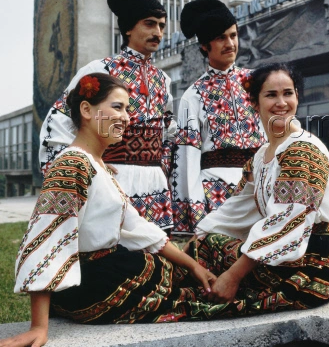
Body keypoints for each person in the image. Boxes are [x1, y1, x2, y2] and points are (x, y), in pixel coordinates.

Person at [0, 74, 217, 347]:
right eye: (117, 107)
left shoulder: (96, 165)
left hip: (104, 275)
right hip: (95, 285)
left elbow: (137, 227)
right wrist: (39, 327)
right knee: (204, 295)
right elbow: (46, 240)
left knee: (202, 261)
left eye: (128, 109)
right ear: (87, 110)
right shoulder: (72, 165)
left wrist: (193, 265)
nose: (126, 118)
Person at [189, 62, 329, 309]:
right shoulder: (262, 156)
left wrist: (233, 276)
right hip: (280, 252)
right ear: (255, 103)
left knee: (206, 275)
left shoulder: (303, 150)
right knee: (205, 246)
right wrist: (197, 237)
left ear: (297, 96)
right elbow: (237, 207)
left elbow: (288, 221)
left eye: (288, 93)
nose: (281, 103)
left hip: (311, 261)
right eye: (271, 95)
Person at [39, 0, 176, 232]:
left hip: (155, 184)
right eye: (149, 23)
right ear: (128, 28)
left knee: (157, 253)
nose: (158, 31)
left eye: (162, 25)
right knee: (114, 252)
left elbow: (168, 131)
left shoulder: (164, 80)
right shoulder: (100, 70)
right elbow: (59, 118)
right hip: (114, 177)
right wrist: (84, 164)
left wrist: (164, 170)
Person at [173, 0, 266, 234]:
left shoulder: (257, 82)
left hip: (259, 189)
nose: (230, 43)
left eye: (233, 35)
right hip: (216, 194)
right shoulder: (192, 96)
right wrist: (197, 212)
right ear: (205, 46)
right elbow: (187, 158)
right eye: (220, 38)